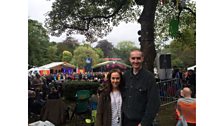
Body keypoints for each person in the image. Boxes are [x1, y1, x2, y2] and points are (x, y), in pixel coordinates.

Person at [122, 49, 160, 126]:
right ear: (130, 59)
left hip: (141, 122)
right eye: (133, 58)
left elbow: (154, 103)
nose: (135, 61)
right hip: (125, 121)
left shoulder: (149, 77)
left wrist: (144, 123)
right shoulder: (125, 76)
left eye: (138, 58)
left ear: (142, 59)